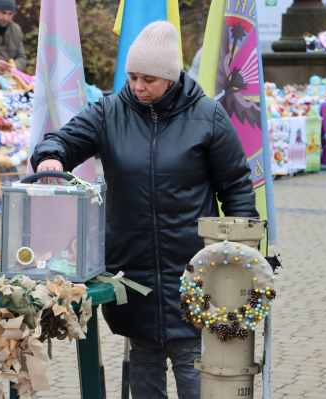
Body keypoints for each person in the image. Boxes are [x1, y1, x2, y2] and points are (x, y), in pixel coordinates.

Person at [30, 21, 258, 399]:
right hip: (131, 267)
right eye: (133, 76)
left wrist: (246, 255)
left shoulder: (208, 117)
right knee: (144, 359)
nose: (137, 86)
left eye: (148, 79)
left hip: (194, 267)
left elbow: (235, 186)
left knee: (192, 362)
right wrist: (51, 158)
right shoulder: (108, 113)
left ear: (170, 76)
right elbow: (62, 140)